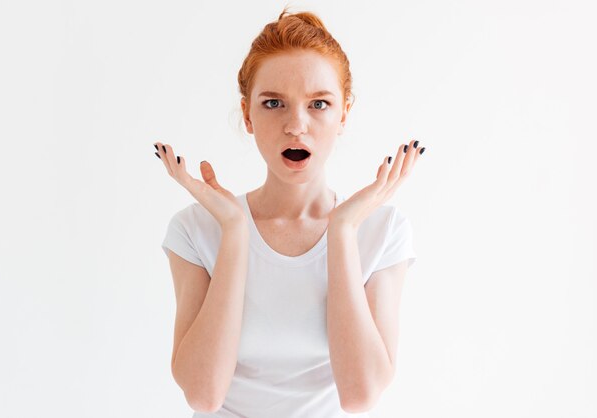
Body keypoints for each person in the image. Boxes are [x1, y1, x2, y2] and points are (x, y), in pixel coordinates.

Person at [157, 7, 425, 417]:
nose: (296, 125)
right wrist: (234, 229)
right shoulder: (197, 229)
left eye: (318, 104)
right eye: (273, 103)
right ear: (247, 114)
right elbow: (203, 395)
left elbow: (360, 396)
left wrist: (341, 231)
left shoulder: (382, 232)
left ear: (344, 115)